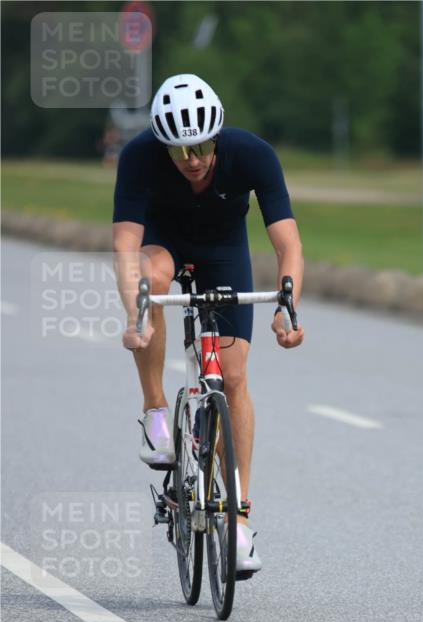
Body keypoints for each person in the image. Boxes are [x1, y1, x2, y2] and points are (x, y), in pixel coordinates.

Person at [112, 74, 304, 576]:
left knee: (235, 380)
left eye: (199, 147)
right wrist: (136, 318)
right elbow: (125, 248)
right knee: (150, 279)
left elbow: (289, 244)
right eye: (178, 151)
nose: (190, 159)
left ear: (216, 136)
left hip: (224, 256)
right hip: (164, 245)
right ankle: (156, 412)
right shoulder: (139, 156)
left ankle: (238, 521)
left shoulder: (253, 154)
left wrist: (287, 307)